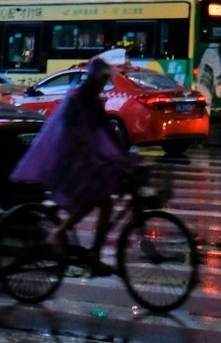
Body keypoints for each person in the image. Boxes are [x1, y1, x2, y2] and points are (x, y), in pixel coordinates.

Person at [9, 57, 133, 273]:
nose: (104, 83)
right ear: (94, 78)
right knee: (94, 199)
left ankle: (94, 253)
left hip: (82, 160)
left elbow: (106, 131)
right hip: (68, 161)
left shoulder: (94, 101)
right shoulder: (76, 100)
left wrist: (125, 154)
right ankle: (61, 233)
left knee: (105, 202)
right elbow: (71, 134)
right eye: (102, 79)